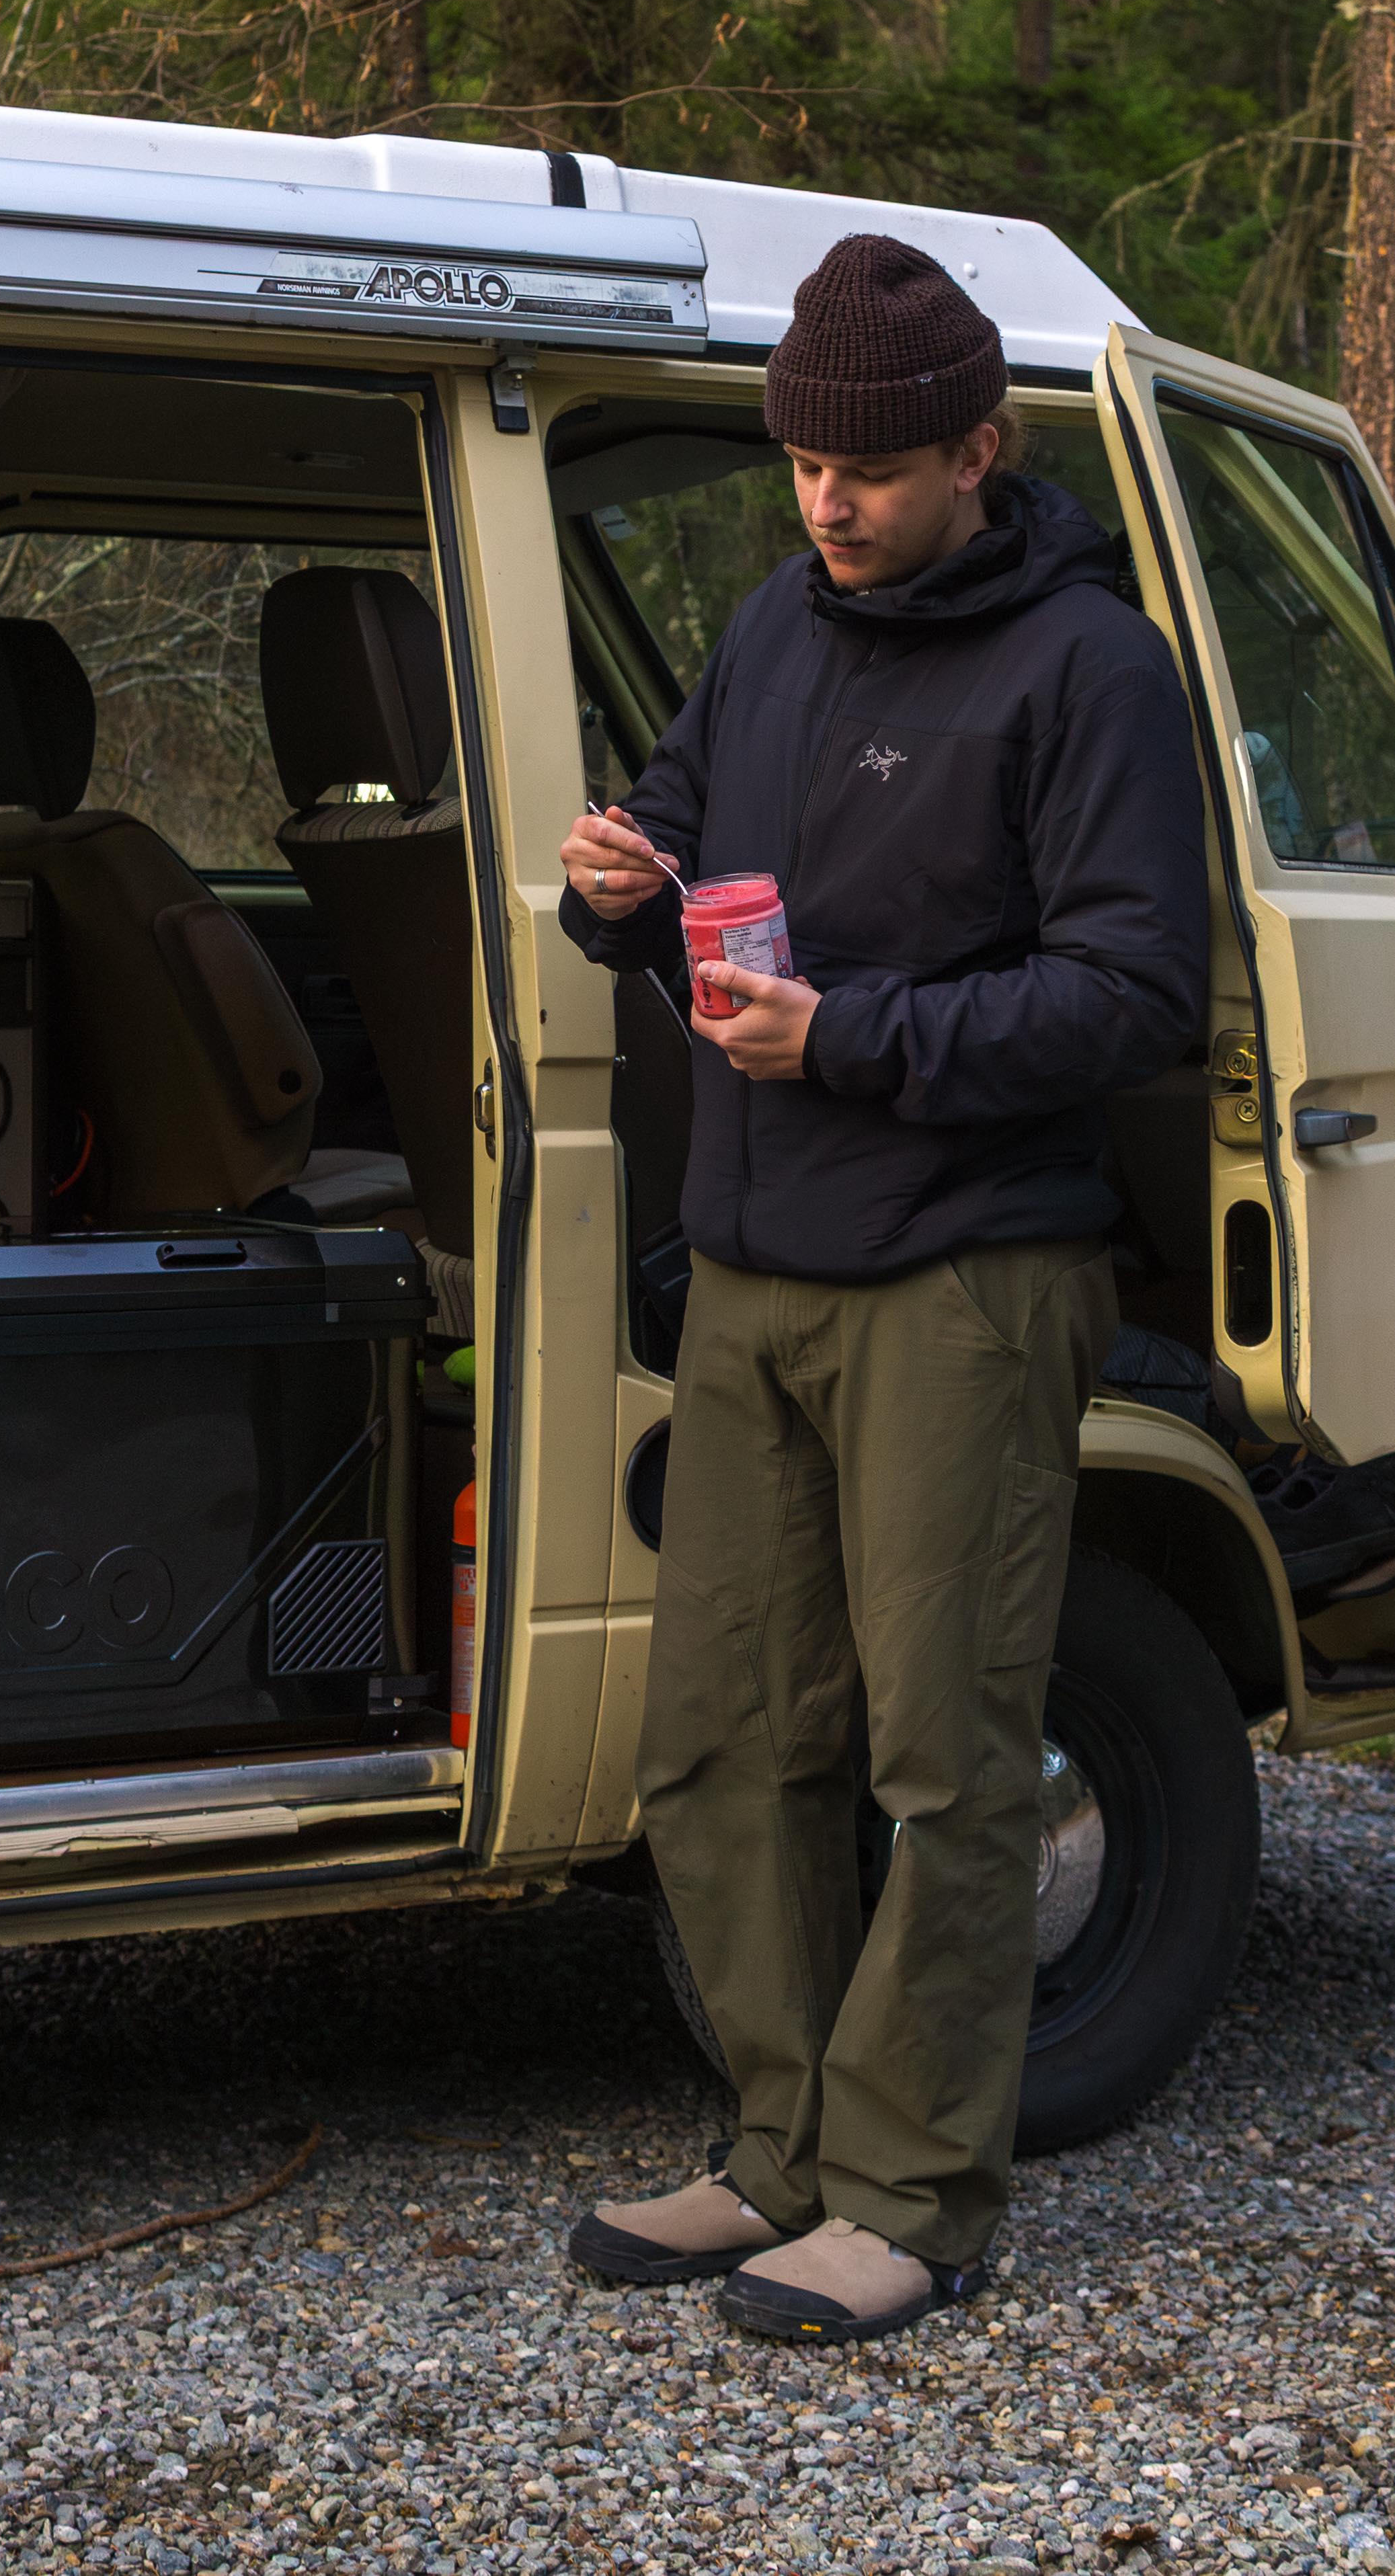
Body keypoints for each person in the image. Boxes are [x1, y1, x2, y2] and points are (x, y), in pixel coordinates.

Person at [558, 233, 1207, 2349]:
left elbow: (1128, 998)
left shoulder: (1084, 668)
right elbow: (671, 832)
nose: (822, 506)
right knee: (721, 1743)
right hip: (752, 1264)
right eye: (800, 469)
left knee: (944, 1759)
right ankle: (772, 2157)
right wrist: (610, 889)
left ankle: (913, 2196)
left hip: (963, 1274)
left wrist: (851, 1039)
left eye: (866, 474)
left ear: (973, 453)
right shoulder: (772, 624)